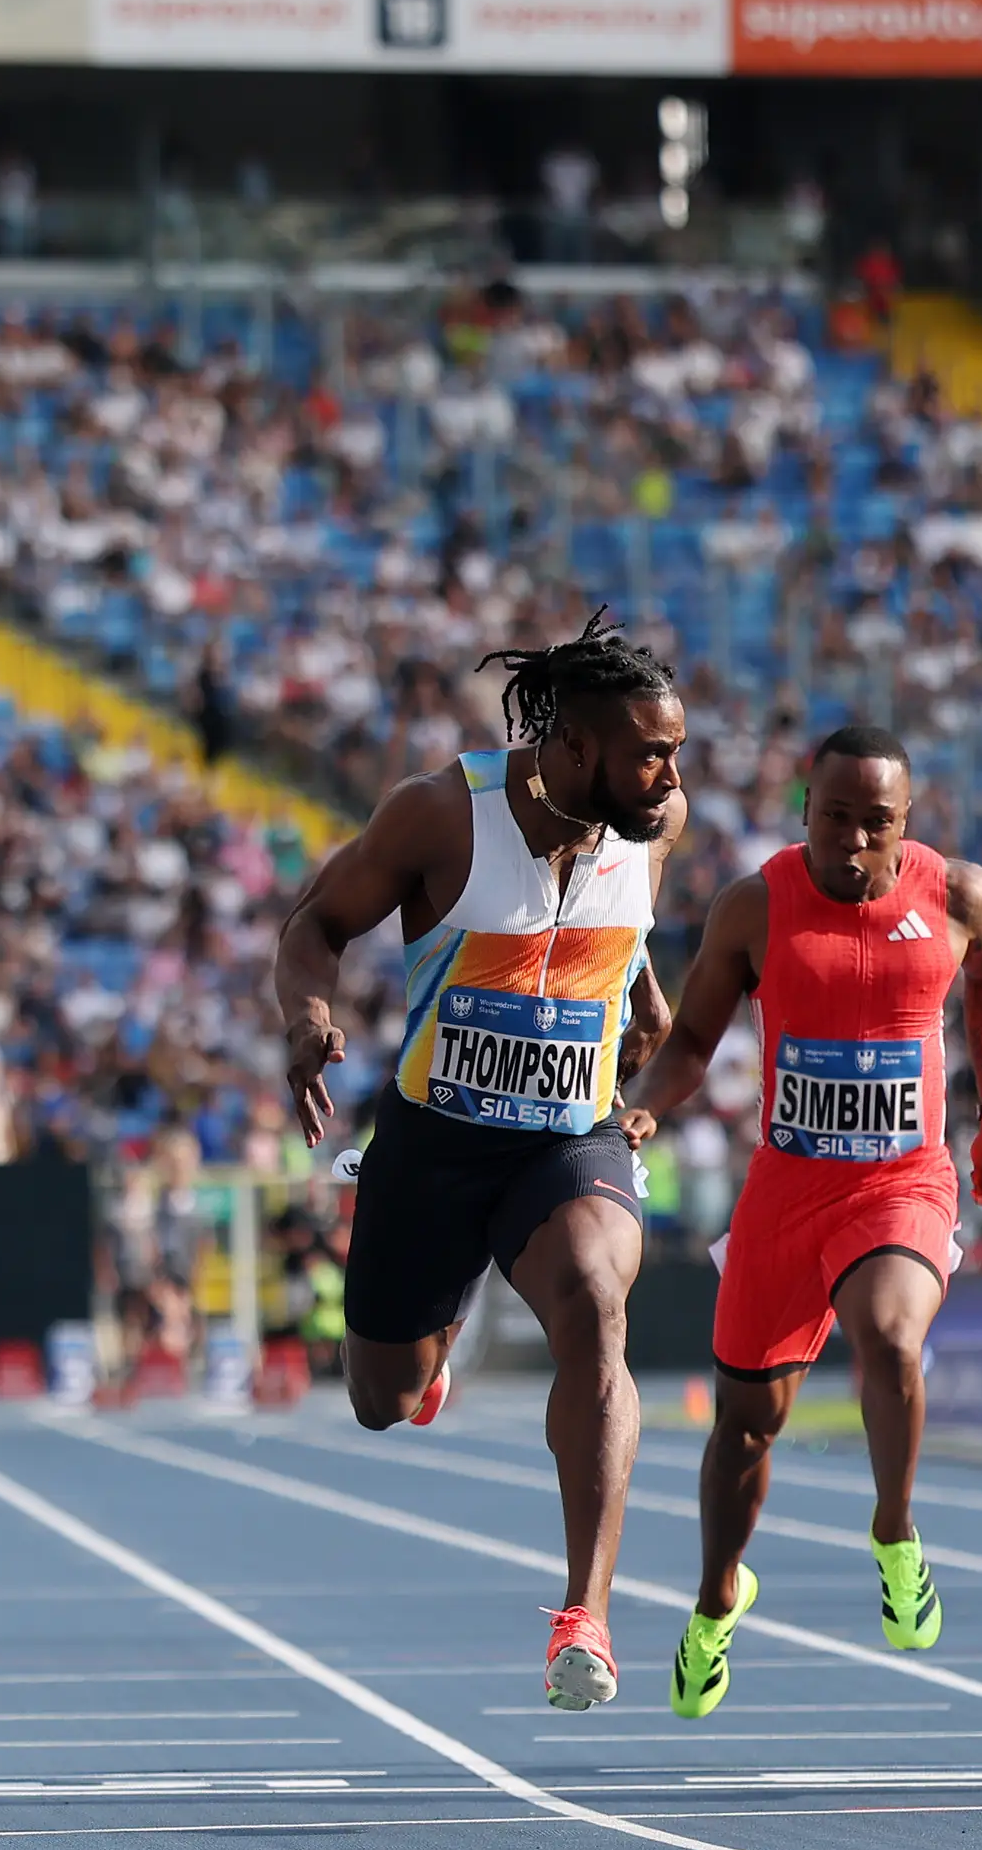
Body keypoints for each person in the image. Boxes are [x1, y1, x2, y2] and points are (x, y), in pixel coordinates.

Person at [277, 613, 686, 1711]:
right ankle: (431, 1337)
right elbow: (314, 923)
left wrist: (644, 1009)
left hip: (566, 1141)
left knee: (598, 1305)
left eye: (677, 753)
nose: (671, 776)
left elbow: (629, 929)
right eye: (651, 753)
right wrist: (309, 1018)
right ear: (575, 751)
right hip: (434, 1142)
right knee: (380, 1396)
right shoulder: (441, 815)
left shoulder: (656, 822)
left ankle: (584, 1614)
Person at [617, 726, 982, 1718]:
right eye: (834, 817)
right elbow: (694, 1040)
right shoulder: (756, 905)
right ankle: (718, 1596)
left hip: (905, 1182)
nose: (852, 840)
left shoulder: (958, 895)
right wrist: (642, 1104)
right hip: (788, 1193)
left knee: (890, 1337)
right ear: (806, 811)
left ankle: (895, 1536)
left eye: (875, 823)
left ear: (906, 826)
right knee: (746, 1429)